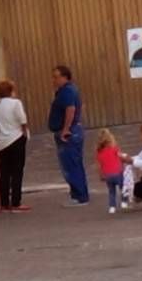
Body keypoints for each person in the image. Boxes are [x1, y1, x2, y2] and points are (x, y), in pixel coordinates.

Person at [48, 65, 89, 206]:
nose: (53, 80)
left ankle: (79, 196)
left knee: (71, 164)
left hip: (68, 132)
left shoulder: (66, 92)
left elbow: (70, 109)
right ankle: (79, 194)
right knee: (75, 163)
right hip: (74, 130)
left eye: (56, 77)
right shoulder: (68, 91)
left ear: (65, 77)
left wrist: (66, 129)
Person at [0, 79, 30, 212]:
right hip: (16, 138)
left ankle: (4, 203)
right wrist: (24, 133)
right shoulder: (16, 103)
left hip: (2, 142)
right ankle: (16, 202)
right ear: (11, 90)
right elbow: (23, 120)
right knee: (17, 171)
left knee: (4, 172)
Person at [95, 129, 125, 214]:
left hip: (107, 175)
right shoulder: (115, 149)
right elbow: (121, 157)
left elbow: (99, 166)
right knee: (123, 188)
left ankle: (112, 207)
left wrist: (101, 175)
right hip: (118, 172)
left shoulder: (99, 153)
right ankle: (124, 202)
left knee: (111, 191)